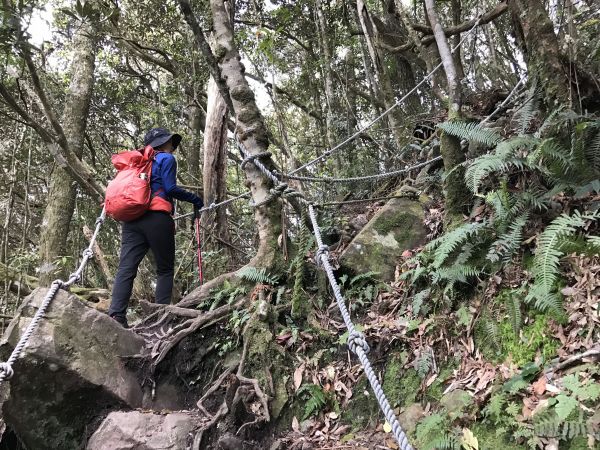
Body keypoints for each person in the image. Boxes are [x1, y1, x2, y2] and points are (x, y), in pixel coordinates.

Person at [108, 127, 203, 327]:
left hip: (132, 219)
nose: (172, 147)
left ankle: (116, 316)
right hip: (157, 217)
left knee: (126, 268)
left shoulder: (137, 163)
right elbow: (170, 188)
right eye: (170, 142)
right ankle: (160, 319)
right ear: (164, 143)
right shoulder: (166, 159)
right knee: (165, 270)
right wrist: (195, 199)